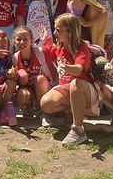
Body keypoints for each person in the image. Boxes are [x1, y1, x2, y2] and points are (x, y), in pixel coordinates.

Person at [39, 13, 101, 146]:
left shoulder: (81, 47)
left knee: (75, 83)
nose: (55, 32)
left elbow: (79, 69)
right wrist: (46, 40)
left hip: (85, 90)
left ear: (70, 31)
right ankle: (72, 112)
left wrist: (65, 67)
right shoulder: (60, 46)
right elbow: (52, 49)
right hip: (66, 89)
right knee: (46, 104)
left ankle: (78, 130)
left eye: (58, 29)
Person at [12, 25, 54, 120]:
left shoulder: (41, 52)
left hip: (45, 88)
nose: (22, 42)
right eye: (18, 39)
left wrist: (47, 40)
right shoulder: (14, 58)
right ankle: (30, 107)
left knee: (39, 79)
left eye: (25, 39)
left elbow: (58, 52)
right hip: (29, 90)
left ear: (32, 40)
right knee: (21, 95)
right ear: (14, 42)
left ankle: (44, 113)